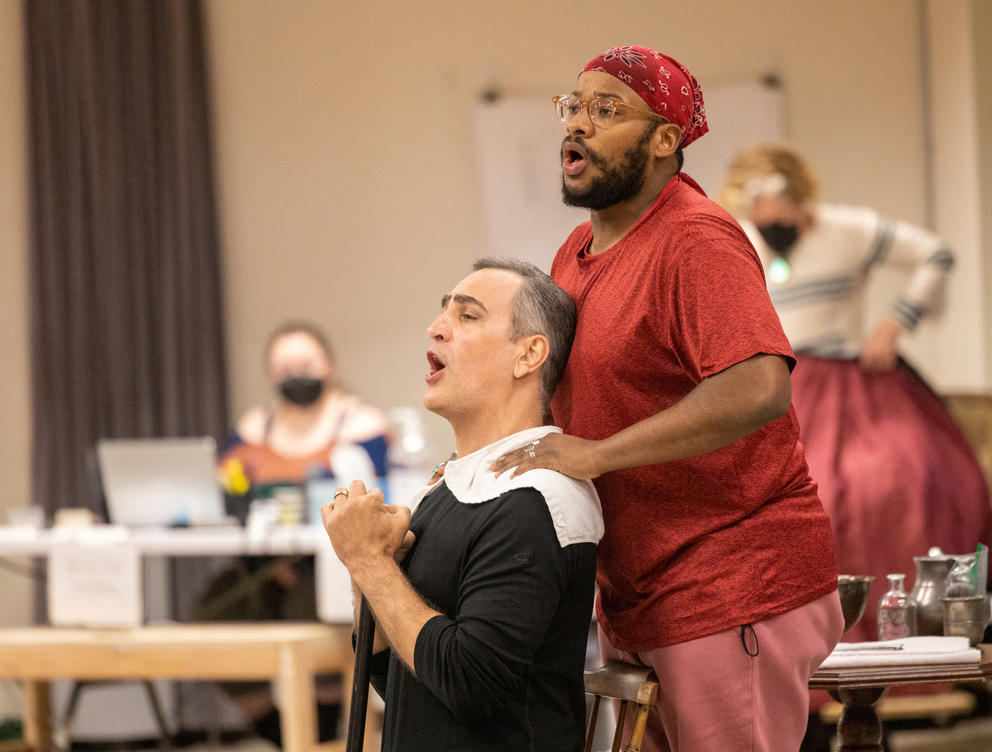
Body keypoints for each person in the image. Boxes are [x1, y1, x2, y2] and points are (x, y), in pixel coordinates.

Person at [488, 46, 843, 752]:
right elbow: (566, 400)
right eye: (574, 106)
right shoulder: (573, 253)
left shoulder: (696, 240)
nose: (578, 124)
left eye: (607, 110)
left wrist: (596, 454)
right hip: (639, 592)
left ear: (664, 141)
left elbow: (759, 385)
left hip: (729, 583)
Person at [322, 258, 603, 752]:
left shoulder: (538, 497)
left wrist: (368, 560)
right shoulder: (449, 490)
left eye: (468, 316)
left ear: (529, 354)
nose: (436, 329)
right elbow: (402, 681)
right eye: (443, 313)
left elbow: (469, 684)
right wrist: (367, 566)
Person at [716, 144, 992, 646]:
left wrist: (894, 324)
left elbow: (936, 253)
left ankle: (913, 639)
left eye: (785, 202)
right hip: (780, 383)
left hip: (852, 380)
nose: (775, 215)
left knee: (904, 480)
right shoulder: (735, 241)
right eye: (763, 204)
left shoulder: (847, 229)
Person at [202, 320, 389, 744]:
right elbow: (229, 486)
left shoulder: (361, 422)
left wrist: (268, 465)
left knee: (311, 608)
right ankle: (281, 733)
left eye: (305, 363)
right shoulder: (254, 426)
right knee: (213, 610)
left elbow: (363, 487)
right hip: (263, 563)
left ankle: (324, 728)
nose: (295, 374)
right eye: (284, 366)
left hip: (332, 564)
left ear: (330, 366)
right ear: (270, 373)